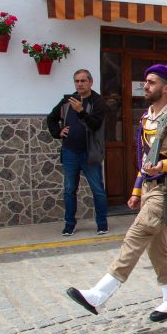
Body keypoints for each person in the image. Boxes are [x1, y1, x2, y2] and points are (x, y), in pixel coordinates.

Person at [66, 64, 167, 323]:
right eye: (146, 81)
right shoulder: (147, 117)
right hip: (151, 187)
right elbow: (147, 158)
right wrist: (137, 189)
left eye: (151, 82)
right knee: (155, 245)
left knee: (138, 233)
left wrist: (164, 166)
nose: (145, 86)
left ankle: (99, 294)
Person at [46, 69, 108, 236]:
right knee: (69, 190)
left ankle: (102, 224)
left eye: (83, 81)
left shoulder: (98, 102)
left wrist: (81, 111)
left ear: (90, 82)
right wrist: (58, 132)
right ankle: (69, 224)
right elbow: (51, 118)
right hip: (70, 152)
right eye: (77, 81)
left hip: (90, 153)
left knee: (98, 190)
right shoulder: (68, 100)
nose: (80, 84)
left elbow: (94, 125)